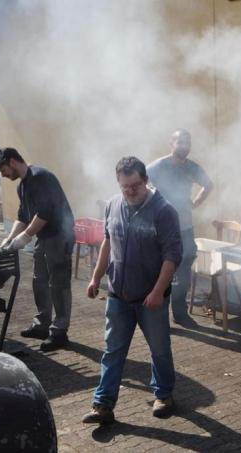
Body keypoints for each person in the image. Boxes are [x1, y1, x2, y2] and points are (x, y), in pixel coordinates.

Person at [82, 156, 182, 425]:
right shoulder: (113, 205)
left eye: (135, 185)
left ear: (146, 180)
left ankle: (164, 395)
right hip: (118, 294)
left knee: (159, 349)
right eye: (124, 186)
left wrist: (158, 291)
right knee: (112, 351)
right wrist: (95, 278)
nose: (129, 191)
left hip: (151, 297)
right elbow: (107, 242)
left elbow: (173, 256)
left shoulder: (164, 211)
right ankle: (103, 405)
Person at [0, 147, 75, 352]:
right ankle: (42, 325)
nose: (3, 174)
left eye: (2, 169)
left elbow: (44, 213)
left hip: (59, 235)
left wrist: (25, 237)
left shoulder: (41, 177)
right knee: (40, 280)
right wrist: (9, 239)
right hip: (44, 237)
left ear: (12, 162)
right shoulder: (22, 186)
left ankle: (59, 332)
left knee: (58, 284)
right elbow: (22, 216)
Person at [146, 129, 213, 328]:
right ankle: (157, 316)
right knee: (158, 269)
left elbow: (208, 185)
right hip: (159, 229)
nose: (185, 146)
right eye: (180, 142)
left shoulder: (192, 167)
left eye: (187, 142)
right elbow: (141, 183)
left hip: (184, 226)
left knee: (184, 269)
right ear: (171, 144)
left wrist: (195, 203)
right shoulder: (157, 166)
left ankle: (180, 313)